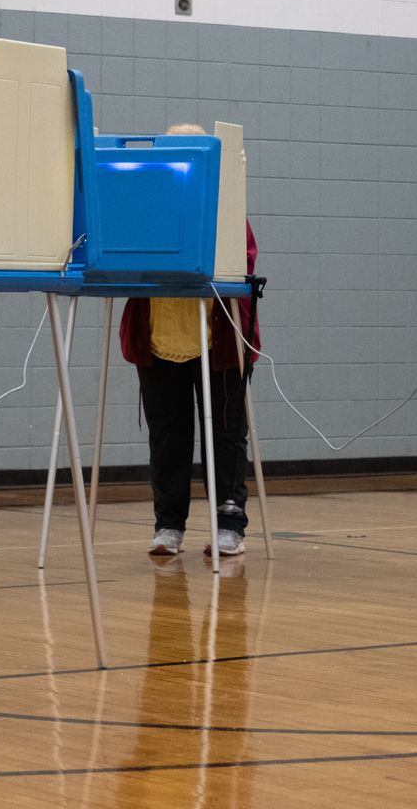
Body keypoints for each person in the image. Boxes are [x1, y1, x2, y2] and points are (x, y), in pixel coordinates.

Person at [118, 123, 262, 560]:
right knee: (168, 437)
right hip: (160, 337)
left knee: (226, 436)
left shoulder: (226, 208)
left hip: (220, 341)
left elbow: (245, 261)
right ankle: (168, 525)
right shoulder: (149, 207)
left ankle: (230, 523)